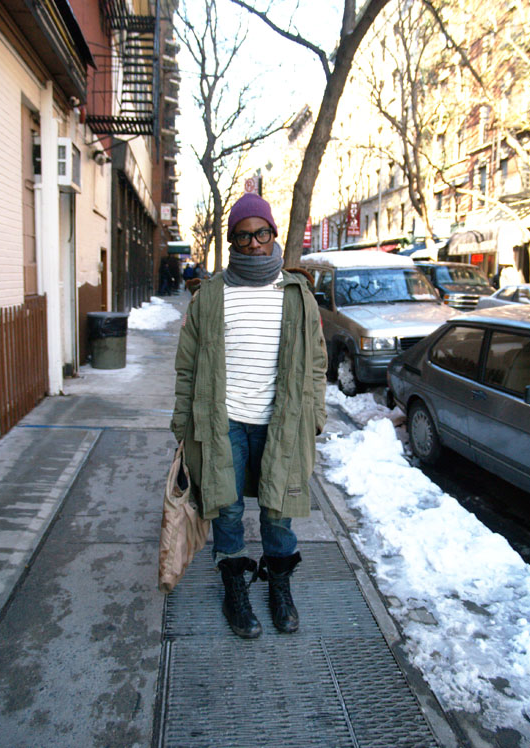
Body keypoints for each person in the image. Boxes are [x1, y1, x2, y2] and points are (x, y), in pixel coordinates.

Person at [171, 192, 327, 639]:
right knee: (226, 508)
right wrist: (183, 423)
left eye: (261, 233)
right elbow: (187, 365)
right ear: (233, 242)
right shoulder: (210, 296)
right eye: (243, 236)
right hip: (223, 423)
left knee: (278, 512)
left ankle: (280, 587)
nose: (254, 244)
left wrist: (315, 415)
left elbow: (316, 363)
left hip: (282, 423)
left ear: (273, 235)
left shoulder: (298, 295)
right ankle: (234, 587)